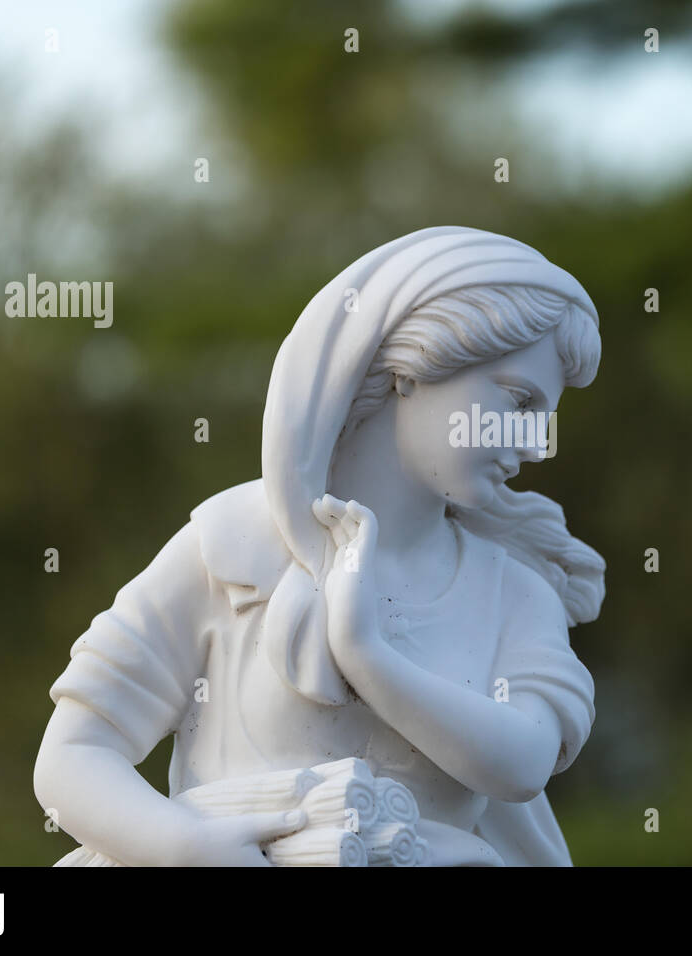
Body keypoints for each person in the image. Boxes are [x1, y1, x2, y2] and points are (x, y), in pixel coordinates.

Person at [33, 226, 605, 866]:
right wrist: (186, 847)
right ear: (419, 364)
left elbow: (524, 761)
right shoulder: (232, 547)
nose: (535, 443)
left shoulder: (515, 594)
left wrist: (366, 656)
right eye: (518, 401)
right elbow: (72, 757)